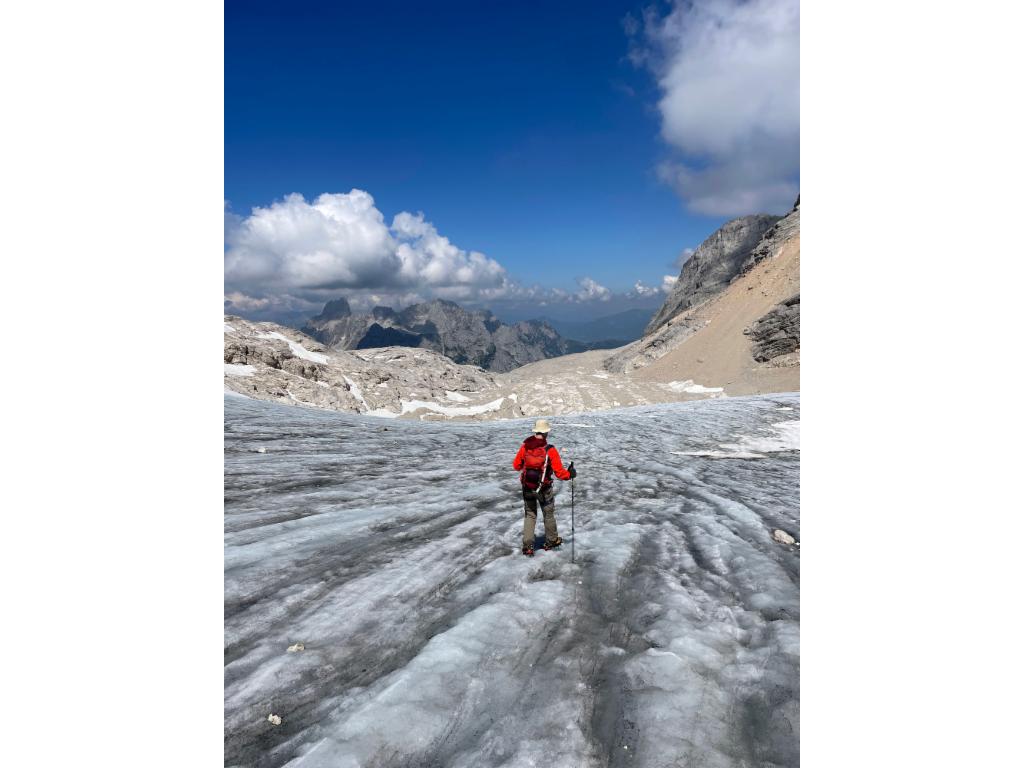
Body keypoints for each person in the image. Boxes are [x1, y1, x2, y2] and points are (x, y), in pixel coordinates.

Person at [512, 418, 577, 556]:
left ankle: (528, 546)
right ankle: (552, 540)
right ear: (547, 432)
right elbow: (560, 473)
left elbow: (516, 465)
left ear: (535, 431)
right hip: (544, 489)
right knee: (548, 515)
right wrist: (570, 474)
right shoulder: (550, 450)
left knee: (530, 515)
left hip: (527, 487)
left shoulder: (525, 447)